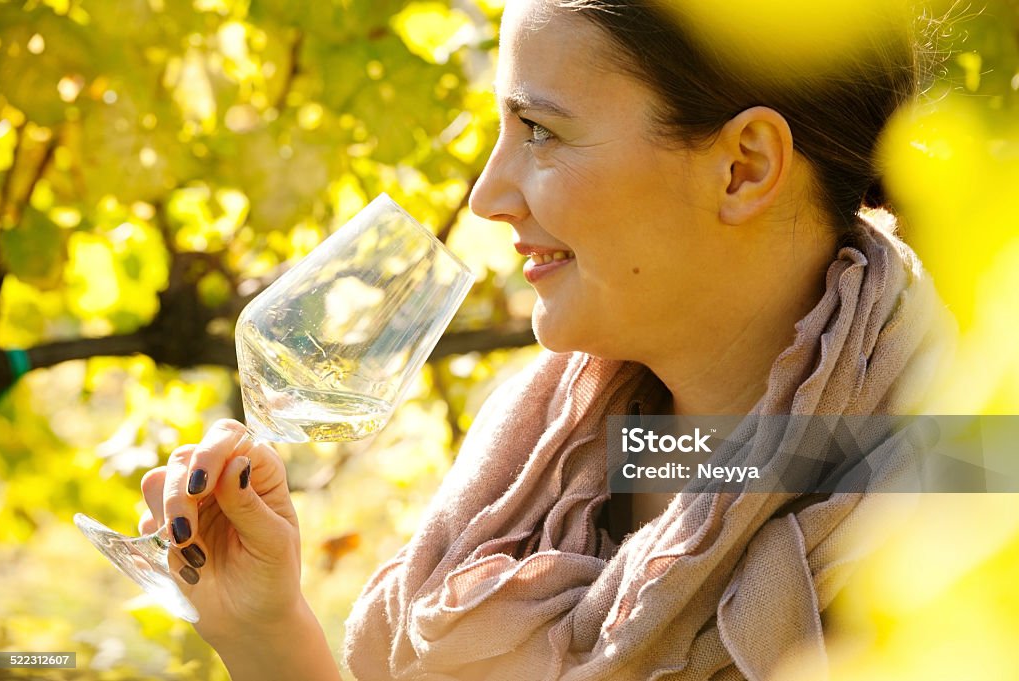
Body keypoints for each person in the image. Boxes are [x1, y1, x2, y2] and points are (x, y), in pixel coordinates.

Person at [139, 0, 952, 679]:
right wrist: (264, 629)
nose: (489, 195)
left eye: (538, 130)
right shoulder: (558, 456)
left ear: (741, 168)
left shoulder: (961, 522)